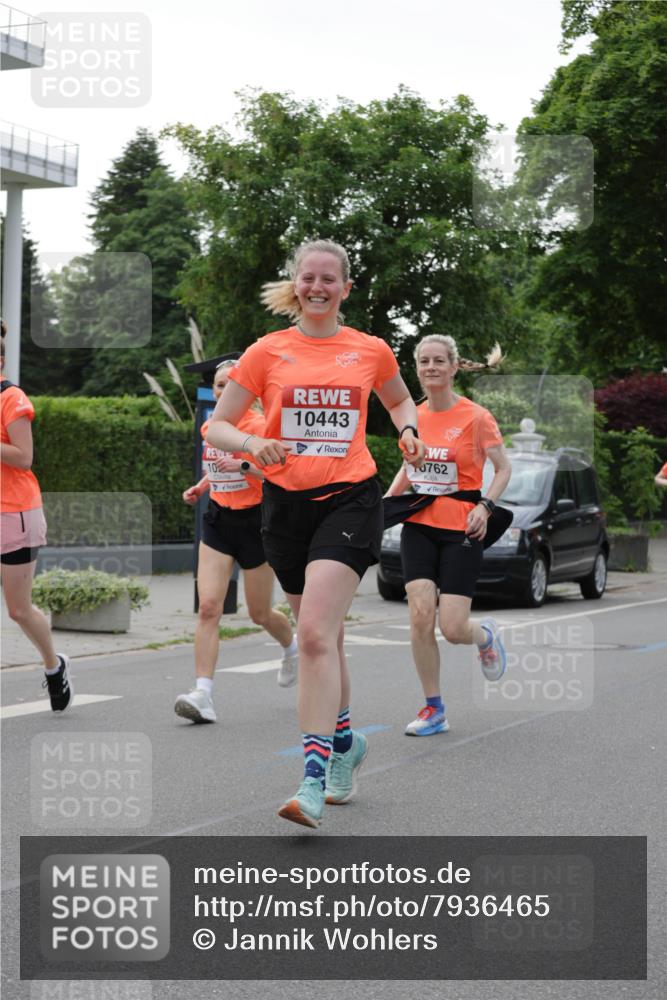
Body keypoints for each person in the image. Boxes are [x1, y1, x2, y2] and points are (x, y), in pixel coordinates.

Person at [205, 238, 425, 828]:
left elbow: (401, 401)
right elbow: (218, 427)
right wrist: (253, 442)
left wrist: (408, 431)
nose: (319, 288)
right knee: (321, 638)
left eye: (331, 279)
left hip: (350, 500)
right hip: (283, 507)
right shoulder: (266, 352)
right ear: (296, 284)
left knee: (314, 637)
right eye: (309, 278)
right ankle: (347, 741)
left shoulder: (370, 350)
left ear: (346, 288)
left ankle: (310, 777)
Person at [384, 333, 511, 736]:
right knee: (421, 615)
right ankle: (433, 709)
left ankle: (484, 636)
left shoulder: (476, 417)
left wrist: (485, 506)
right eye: (424, 361)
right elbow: (411, 466)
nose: (431, 368)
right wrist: (385, 503)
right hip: (419, 524)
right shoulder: (413, 417)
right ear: (416, 369)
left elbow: (503, 468)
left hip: (462, 525)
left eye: (439, 361)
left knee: (453, 628)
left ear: (454, 367)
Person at [174, 360, 298, 724]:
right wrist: (201, 487)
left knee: (259, 613)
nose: (223, 390)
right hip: (218, 521)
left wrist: (244, 468)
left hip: (256, 524)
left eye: (231, 384)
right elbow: (215, 466)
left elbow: (282, 477)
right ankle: (203, 694)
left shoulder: (260, 427)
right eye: (218, 385)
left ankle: (291, 648)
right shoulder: (211, 426)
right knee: (209, 607)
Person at [0, 338, 72, 710]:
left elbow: (23, 457)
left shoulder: (11, 397)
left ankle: (53, 666)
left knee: (17, 609)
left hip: (15, 513)